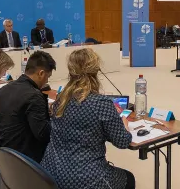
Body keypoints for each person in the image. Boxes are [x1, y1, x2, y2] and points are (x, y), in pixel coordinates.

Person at [41, 49, 135, 189]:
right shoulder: (101, 103)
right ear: (96, 70)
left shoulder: (60, 99)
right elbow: (122, 141)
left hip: (50, 172)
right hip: (85, 178)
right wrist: (124, 123)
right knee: (128, 178)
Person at [0, 51, 56, 162]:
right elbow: (44, 135)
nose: (47, 81)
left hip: (2, 154)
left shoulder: (5, 89)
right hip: (23, 160)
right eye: (47, 77)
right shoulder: (34, 96)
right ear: (41, 73)